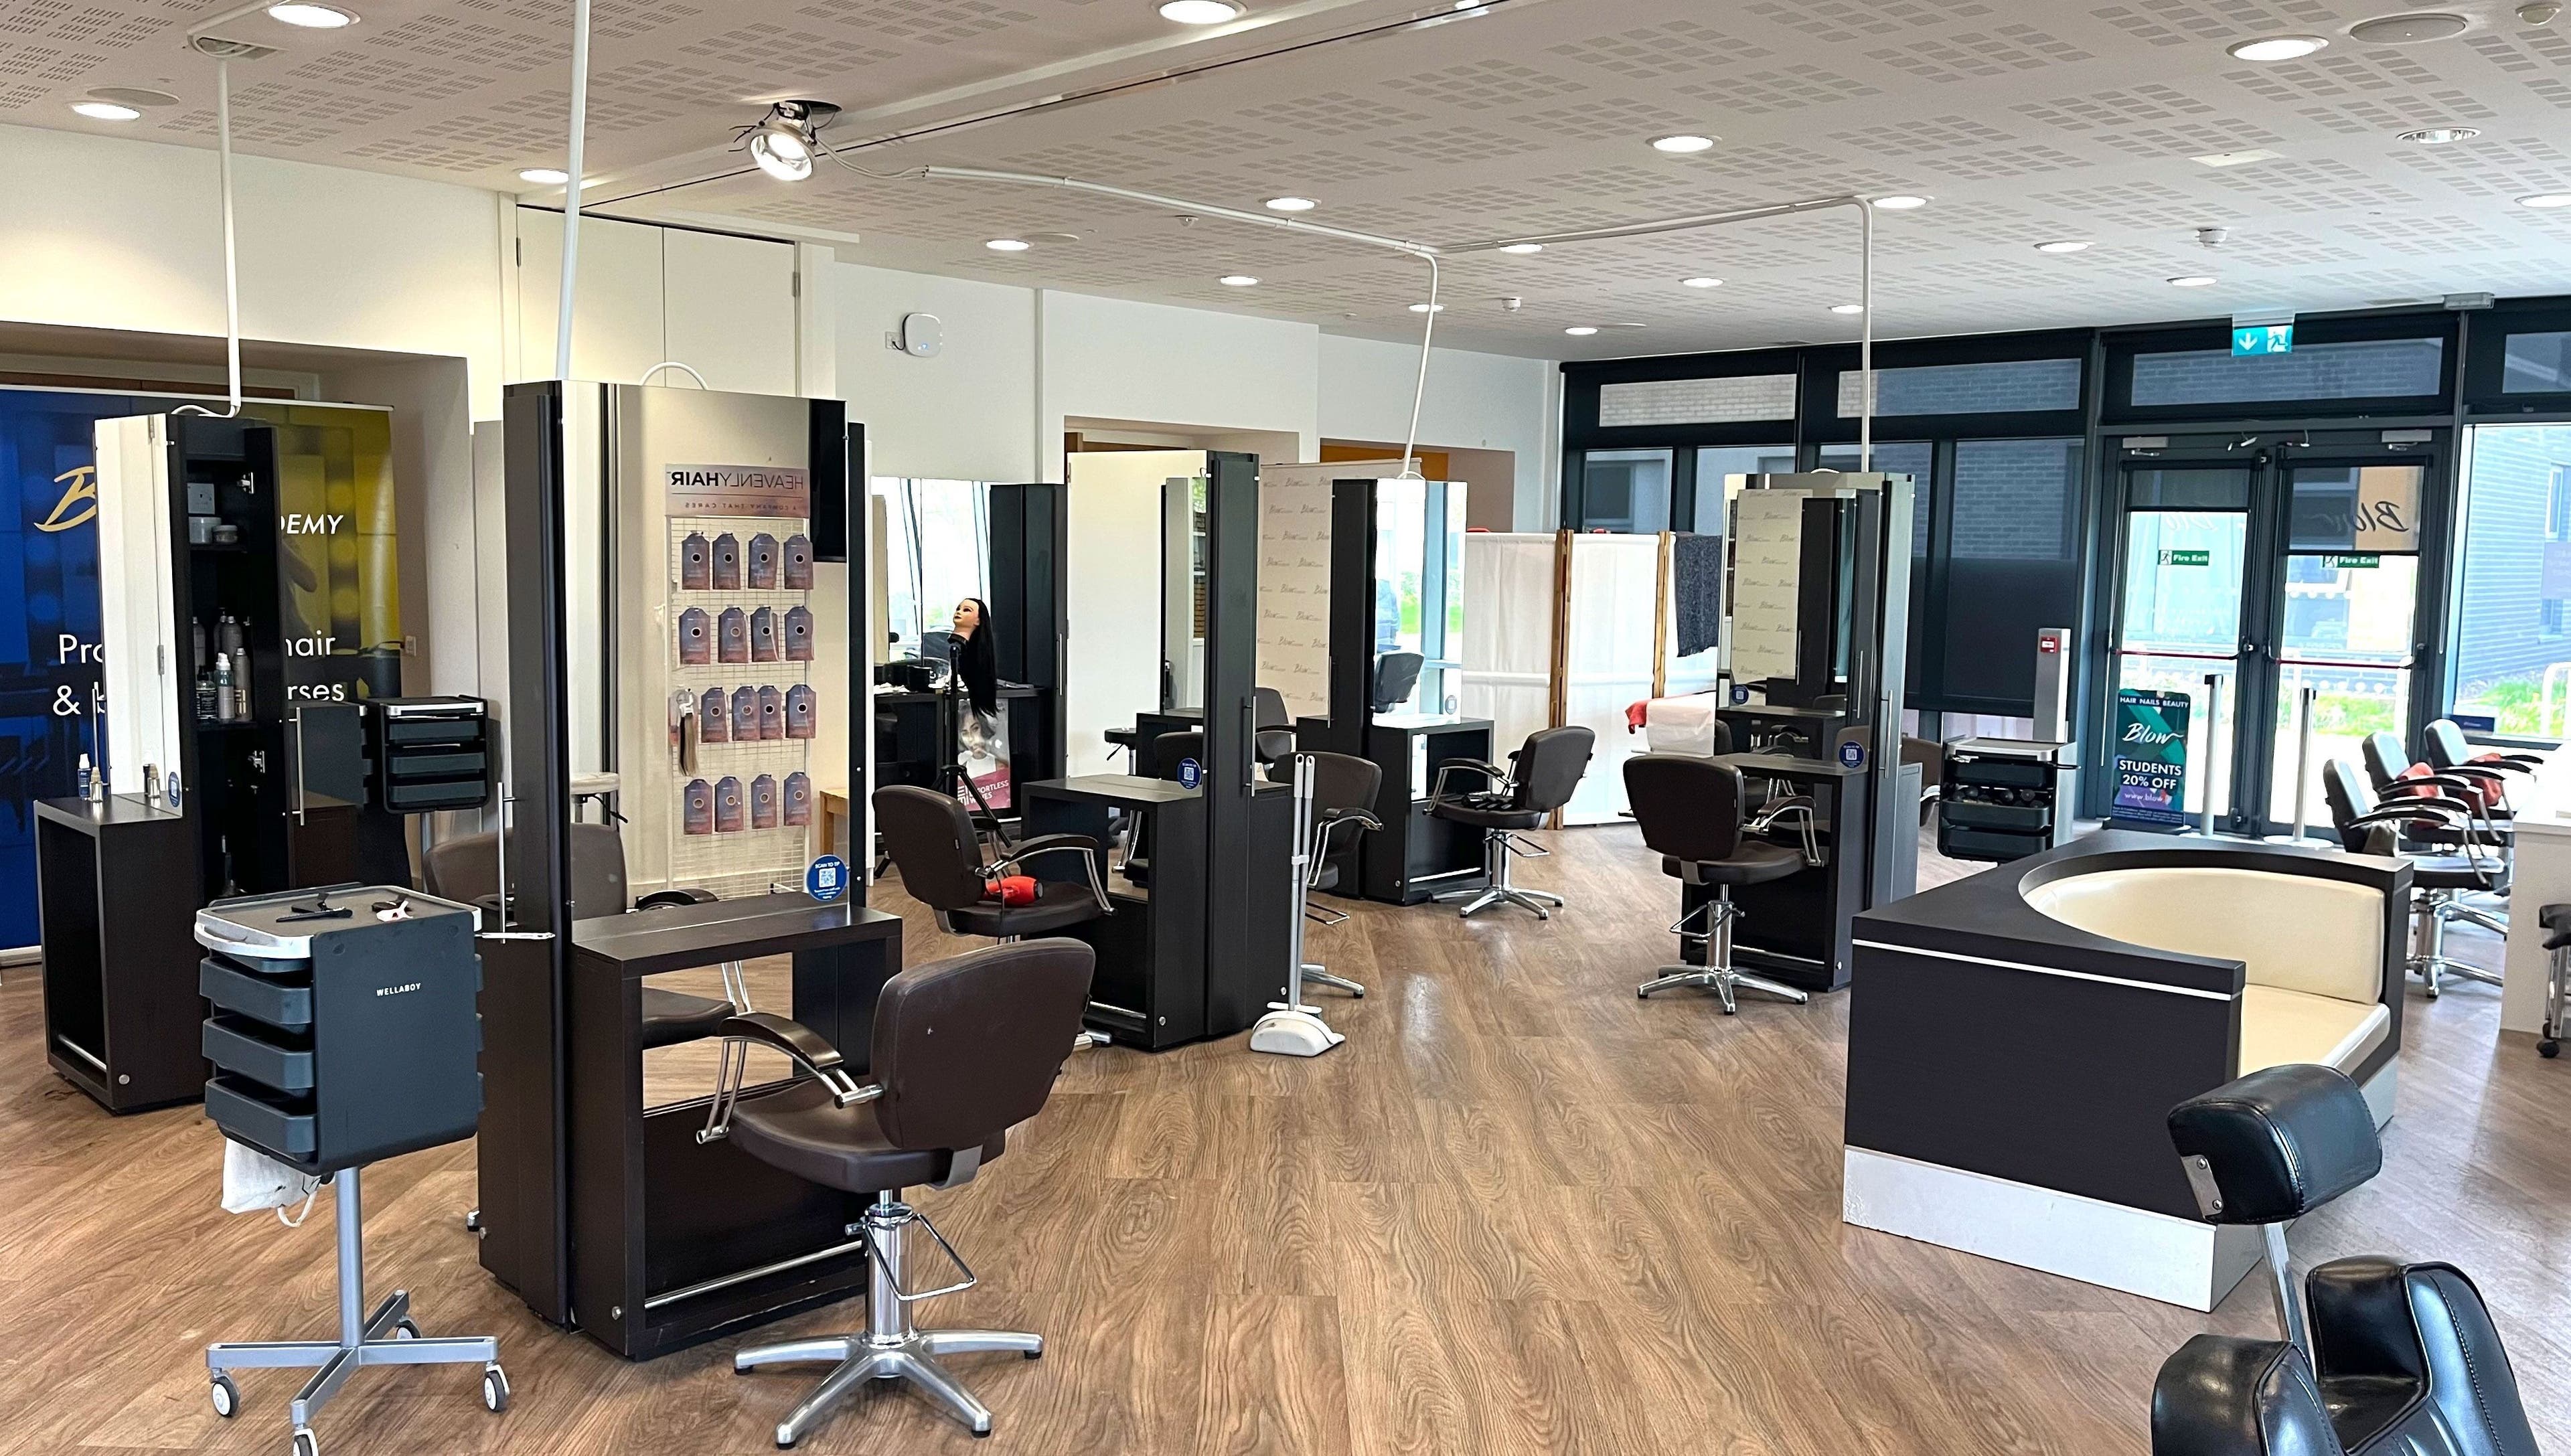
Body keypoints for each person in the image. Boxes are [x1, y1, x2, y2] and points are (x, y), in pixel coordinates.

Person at [947, 598, 1004, 760]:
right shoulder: (954, 648)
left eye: (967, 610)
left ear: (978, 620)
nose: (959, 612)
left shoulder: (980, 655)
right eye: (958, 608)